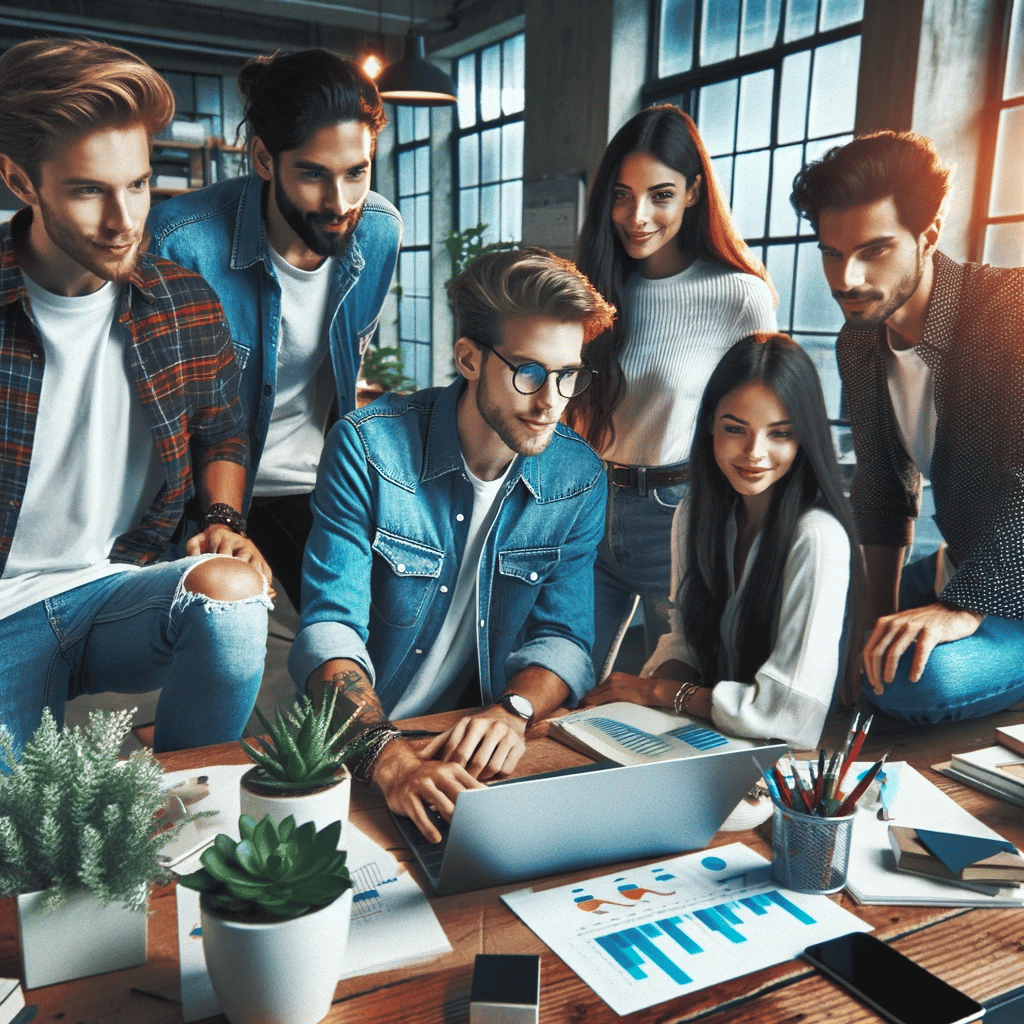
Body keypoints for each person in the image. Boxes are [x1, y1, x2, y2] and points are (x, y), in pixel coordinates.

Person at [0, 39, 272, 753]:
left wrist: (220, 518)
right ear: (20, 180)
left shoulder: (182, 303)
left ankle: (190, 800)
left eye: (139, 184)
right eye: (89, 190)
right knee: (25, 850)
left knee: (234, 599)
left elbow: (223, 432)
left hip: (113, 589)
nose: (125, 220)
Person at [289, 248, 615, 840]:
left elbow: (564, 639)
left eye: (569, 375)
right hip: (362, 746)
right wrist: (387, 756)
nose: (550, 402)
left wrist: (513, 710)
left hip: (479, 748)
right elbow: (329, 630)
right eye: (530, 372)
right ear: (469, 358)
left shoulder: (579, 477)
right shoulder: (368, 448)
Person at [148, 48, 402, 610]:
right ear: (264, 158)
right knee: (218, 630)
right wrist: (218, 519)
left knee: (376, 619)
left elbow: (342, 375)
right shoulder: (180, 242)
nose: (340, 203)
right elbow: (162, 410)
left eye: (356, 173)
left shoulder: (378, 231)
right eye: (313, 174)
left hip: (306, 481)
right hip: (193, 490)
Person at [790, 130, 1024, 722]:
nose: (847, 279)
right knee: (816, 638)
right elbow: (885, 491)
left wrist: (964, 608)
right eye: (832, 252)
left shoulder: (1010, 313)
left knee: (907, 684)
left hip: (1007, 588)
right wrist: (874, 621)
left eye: (874, 250)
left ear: (930, 235)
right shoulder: (860, 342)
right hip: (966, 561)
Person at [569, 104, 777, 679]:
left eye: (660, 195)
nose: (636, 216)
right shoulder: (592, 287)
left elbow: (758, 423)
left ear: (692, 192)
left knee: (679, 698)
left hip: (679, 515)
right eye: (621, 194)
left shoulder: (740, 297)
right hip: (587, 505)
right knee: (564, 690)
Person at [581, 334, 862, 749]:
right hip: (711, 739)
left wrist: (660, 694)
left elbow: (788, 715)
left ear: (804, 438)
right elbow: (686, 642)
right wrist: (636, 710)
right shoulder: (694, 515)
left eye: (779, 434)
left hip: (788, 761)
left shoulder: (817, 538)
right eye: (735, 429)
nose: (754, 453)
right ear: (710, 423)